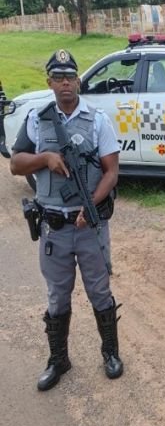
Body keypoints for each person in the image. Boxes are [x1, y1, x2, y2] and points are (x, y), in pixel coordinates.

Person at [10, 49, 123, 391]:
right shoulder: (36, 119)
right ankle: (58, 360)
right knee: (58, 297)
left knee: (99, 291)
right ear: (49, 83)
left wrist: (92, 206)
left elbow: (112, 171)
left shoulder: (98, 120)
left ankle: (111, 353)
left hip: (88, 225)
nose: (65, 85)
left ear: (78, 81)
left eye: (70, 77)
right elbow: (16, 164)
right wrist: (45, 158)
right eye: (57, 78)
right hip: (54, 227)